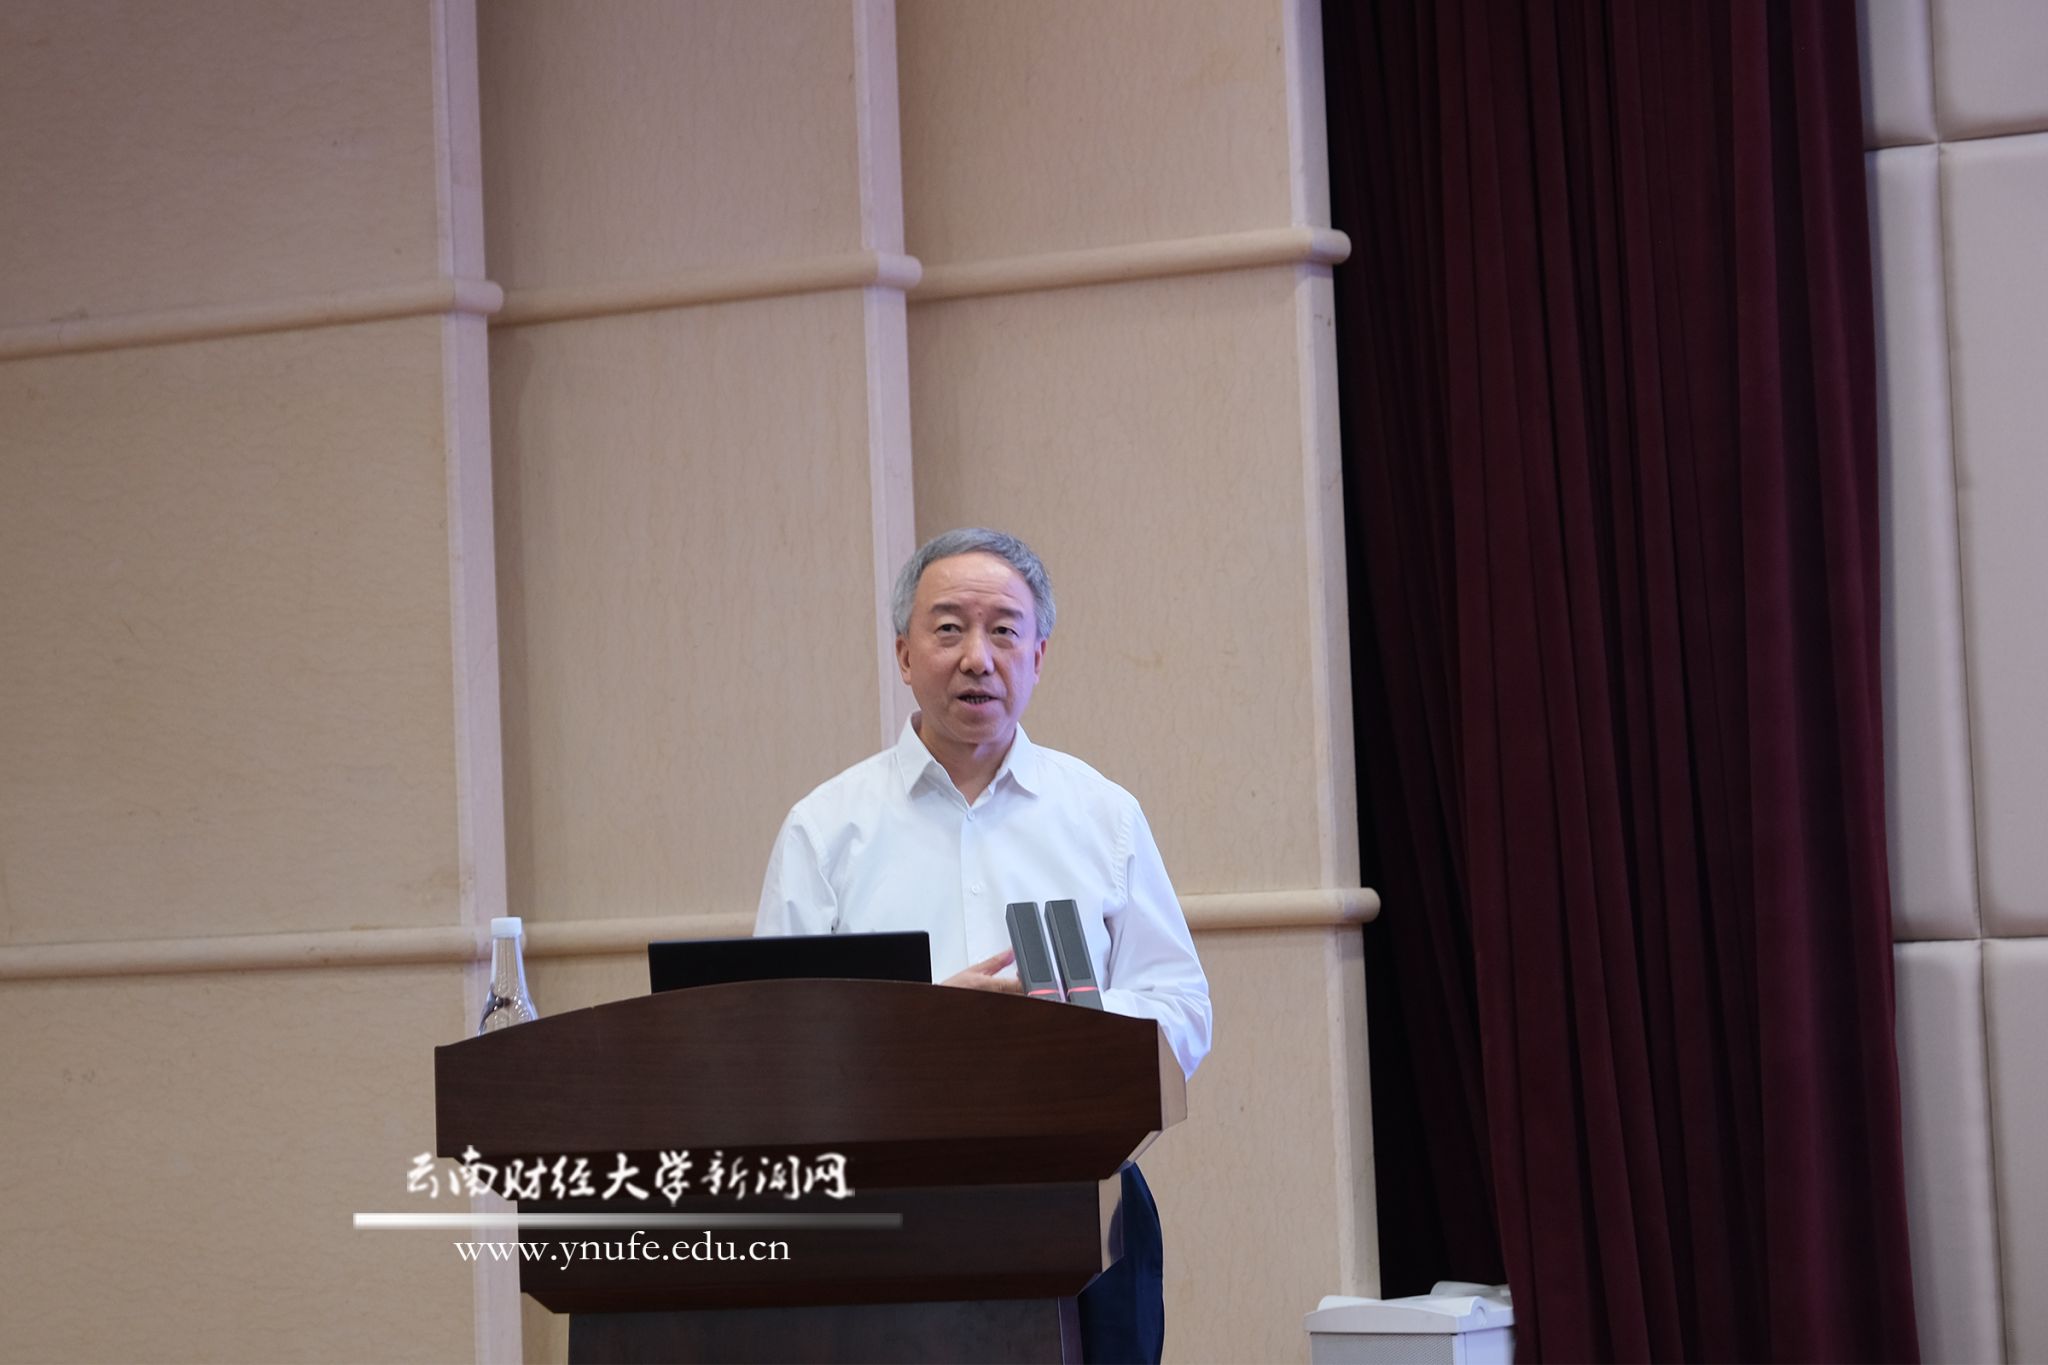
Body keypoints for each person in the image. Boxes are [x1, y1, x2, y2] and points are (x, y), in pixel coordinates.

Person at [755, 527, 1211, 1363]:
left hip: (1083, 1197)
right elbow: (776, 1039)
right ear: (904, 654)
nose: (978, 657)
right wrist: (929, 1027)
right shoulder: (826, 827)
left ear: (1039, 655)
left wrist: (1066, 1018)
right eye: (948, 628)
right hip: (884, 1208)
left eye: (1004, 630)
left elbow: (1181, 1009)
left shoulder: (1103, 814)